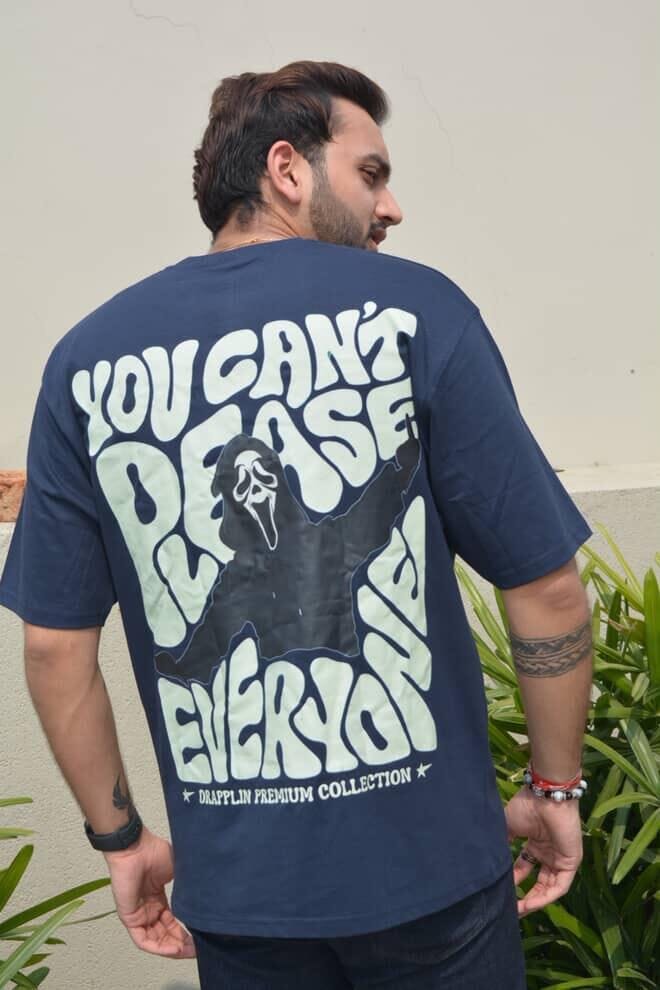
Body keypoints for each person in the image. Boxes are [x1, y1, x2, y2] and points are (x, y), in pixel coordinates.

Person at [0, 60, 593, 988]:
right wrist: (555, 788)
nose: (391, 207)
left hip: (245, 899)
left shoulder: (85, 361)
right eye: (371, 173)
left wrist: (121, 840)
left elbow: (54, 647)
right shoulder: (420, 311)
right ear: (287, 168)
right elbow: (547, 587)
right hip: (431, 876)